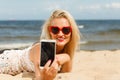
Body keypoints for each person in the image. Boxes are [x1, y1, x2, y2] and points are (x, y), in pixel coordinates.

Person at [0, 9, 80, 80]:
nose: (60, 34)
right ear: (49, 31)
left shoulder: (67, 52)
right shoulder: (42, 49)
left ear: (72, 31)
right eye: (55, 29)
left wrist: (67, 57)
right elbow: (40, 78)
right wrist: (62, 58)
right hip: (6, 60)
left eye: (66, 30)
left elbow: (65, 74)